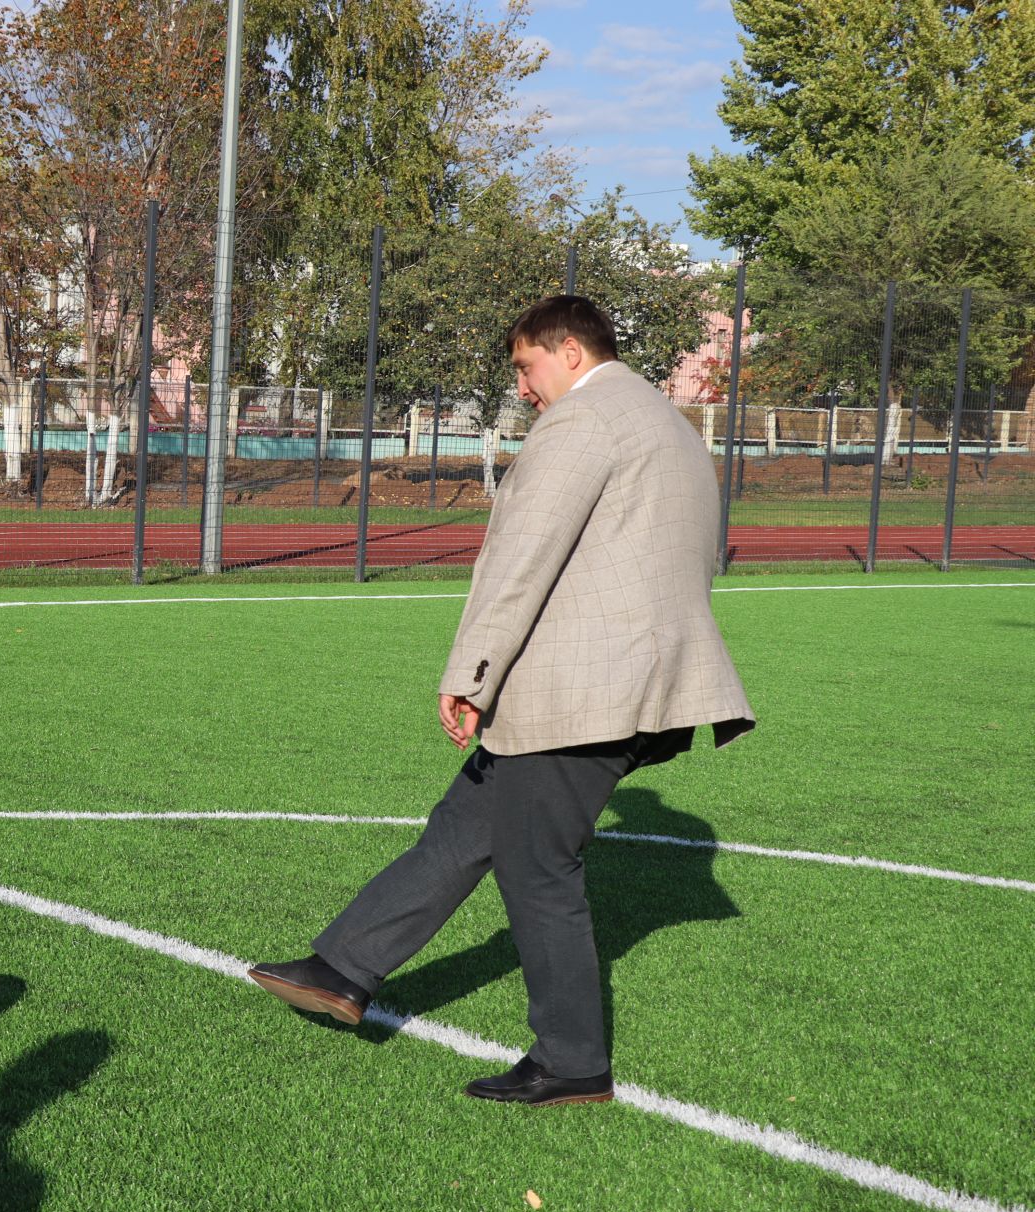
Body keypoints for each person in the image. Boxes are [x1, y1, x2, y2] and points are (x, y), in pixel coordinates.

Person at [248, 295, 753, 1105]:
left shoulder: (584, 423)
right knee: (464, 828)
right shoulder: (665, 422)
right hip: (634, 682)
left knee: (538, 868)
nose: (522, 386)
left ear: (571, 354)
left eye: (526, 366)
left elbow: (522, 557)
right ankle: (342, 969)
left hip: (586, 686)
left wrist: (470, 675)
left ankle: (573, 1061)